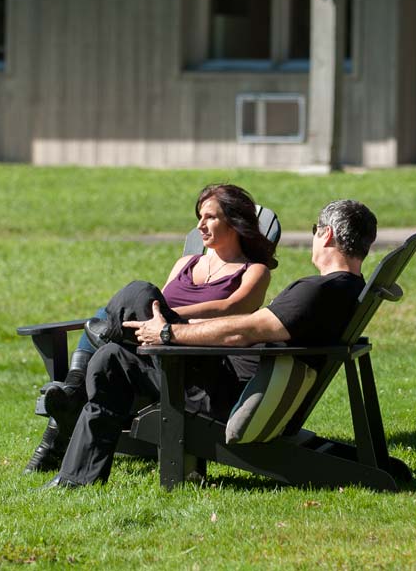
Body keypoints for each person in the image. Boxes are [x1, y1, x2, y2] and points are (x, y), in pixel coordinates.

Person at [42, 199, 377, 489]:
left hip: (217, 392)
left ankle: (80, 377)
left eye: (315, 231)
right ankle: (77, 478)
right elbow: (248, 329)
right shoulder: (344, 290)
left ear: (327, 234)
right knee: (112, 359)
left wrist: (168, 333)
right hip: (223, 378)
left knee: (138, 294)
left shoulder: (317, 291)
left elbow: (244, 330)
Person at [24, 184, 276, 473]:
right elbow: (159, 304)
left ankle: (77, 383)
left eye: (209, 217)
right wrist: (157, 318)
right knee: (113, 346)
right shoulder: (187, 262)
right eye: (199, 217)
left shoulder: (254, 270)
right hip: (158, 352)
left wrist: (168, 318)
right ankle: (74, 397)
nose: (200, 225)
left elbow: (232, 309)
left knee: (134, 296)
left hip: (200, 362)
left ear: (234, 221)